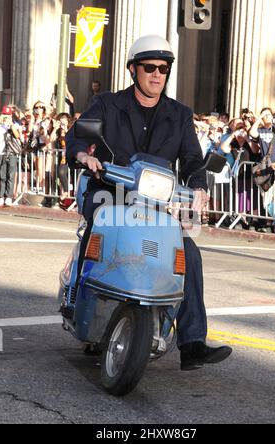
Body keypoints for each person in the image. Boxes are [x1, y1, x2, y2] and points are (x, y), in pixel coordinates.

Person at [66, 35, 232, 371]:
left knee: (190, 255)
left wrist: (198, 186)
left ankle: (192, 343)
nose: (157, 74)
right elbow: (78, 135)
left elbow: (191, 158)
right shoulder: (108, 104)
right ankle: (76, 301)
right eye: (150, 67)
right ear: (133, 69)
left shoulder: (179, 114)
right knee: (97, 232)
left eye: (164, 68)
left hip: (155, 203)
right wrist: (84, 155)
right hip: (110, 192)